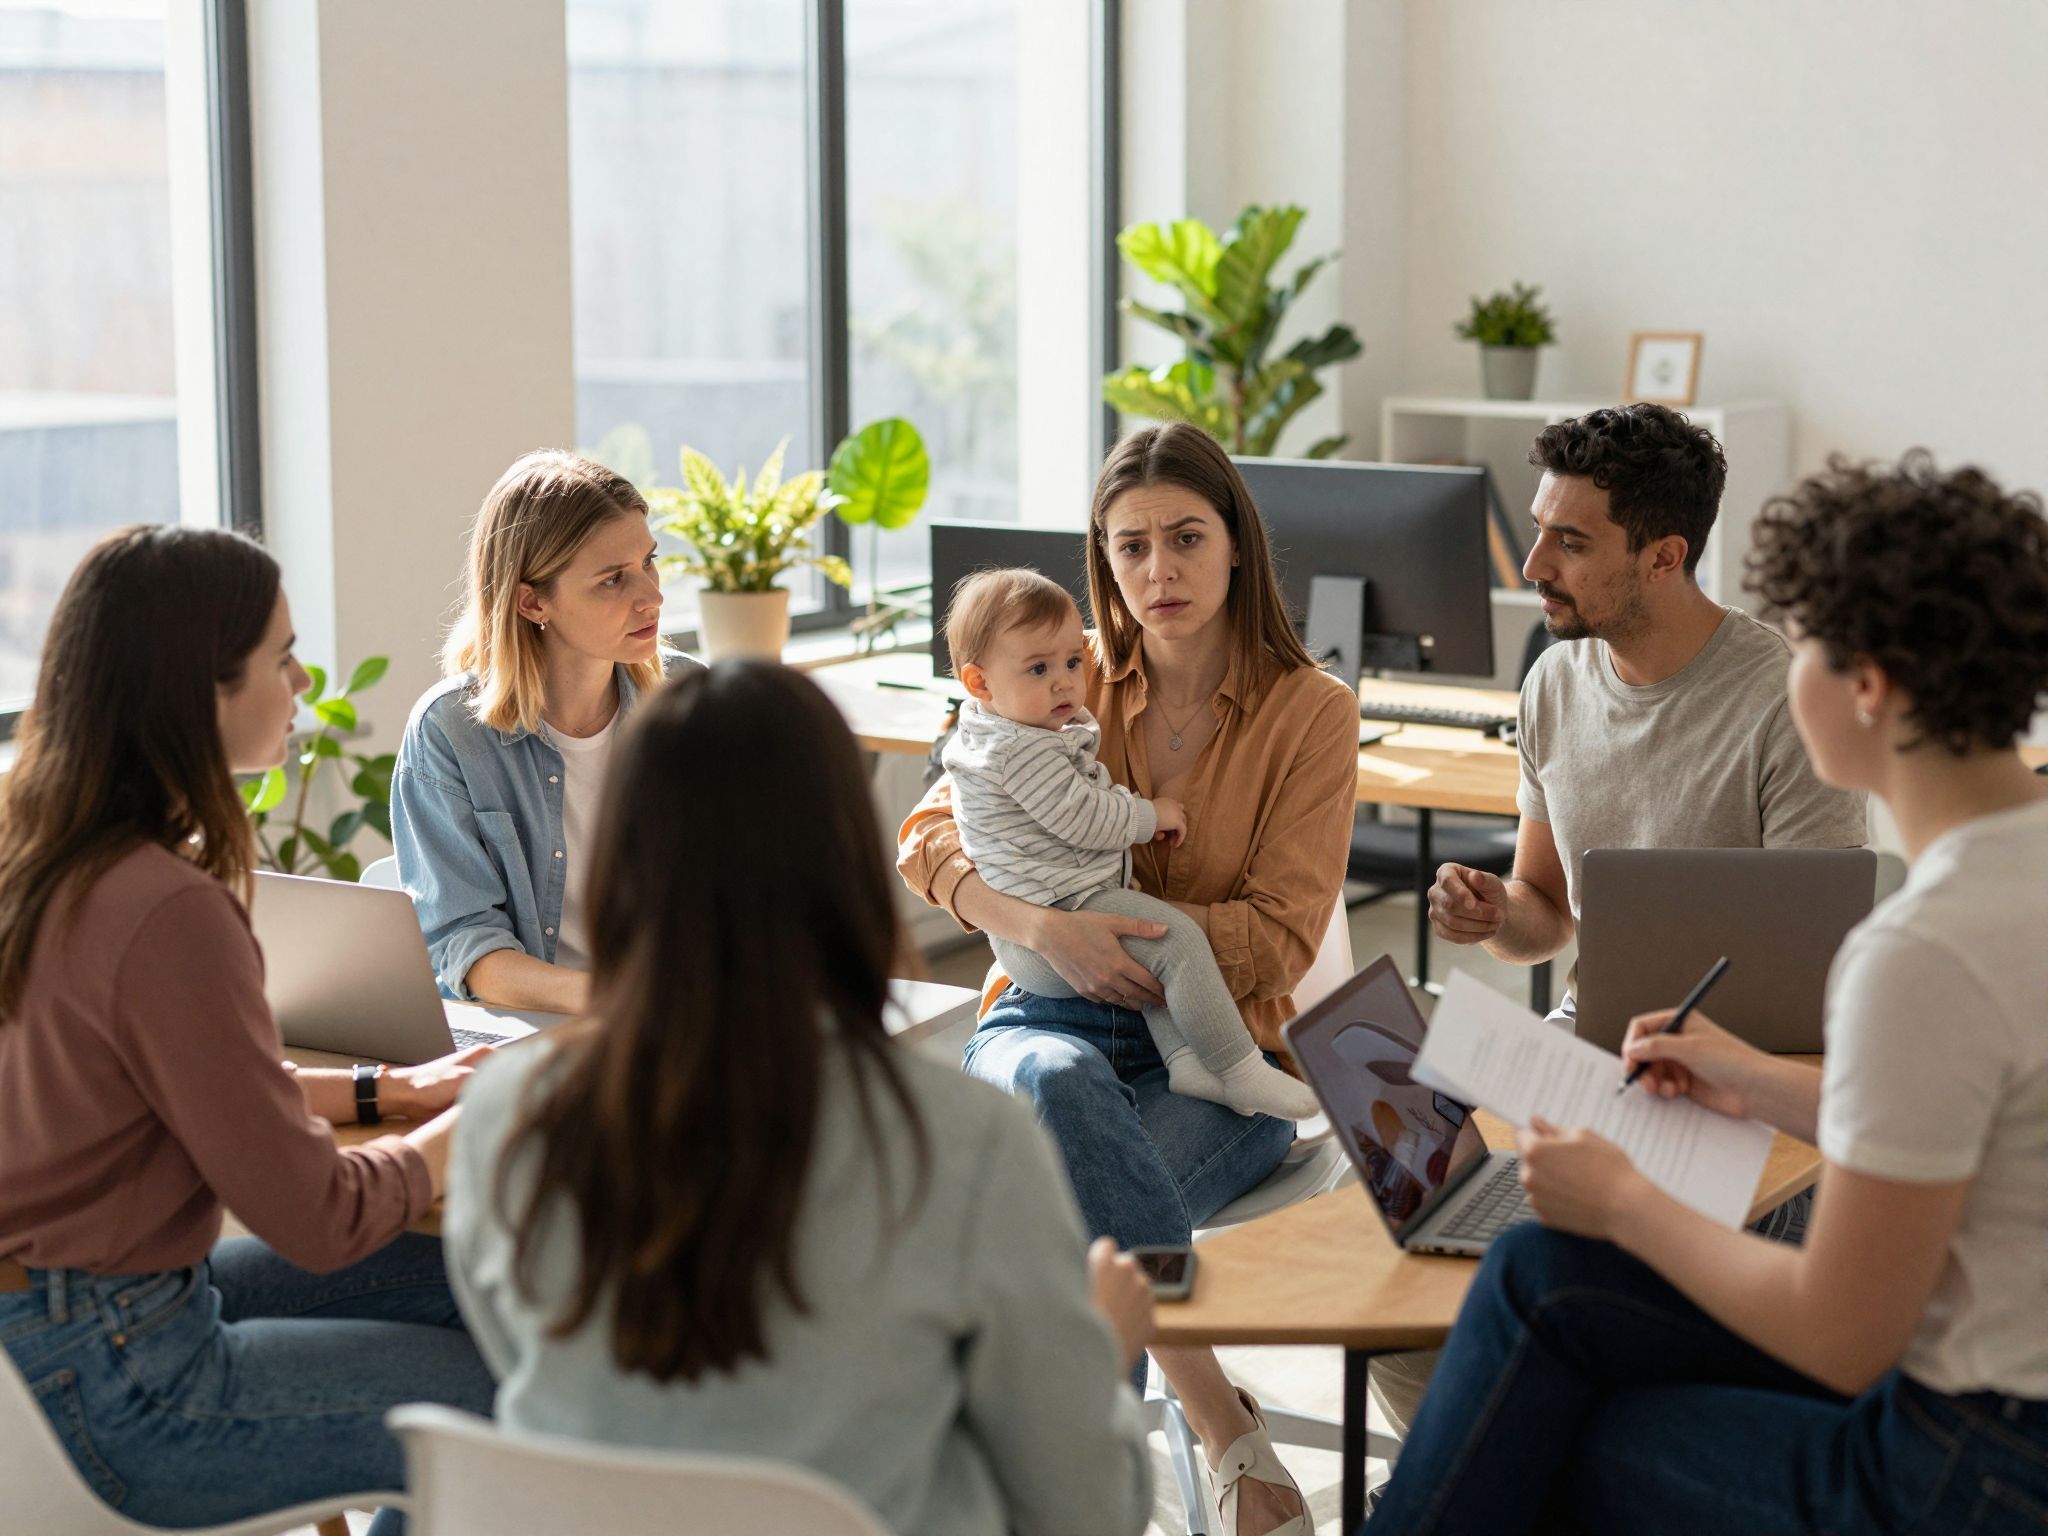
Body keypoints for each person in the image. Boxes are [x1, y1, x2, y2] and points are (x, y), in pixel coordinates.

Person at [1367, 451, 2048, 1534]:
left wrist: (1623, 1205)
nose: (1784, 669)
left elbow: (1839, 1333)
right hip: (2002, 1417)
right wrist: (1760, 1082)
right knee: (1538, 1285)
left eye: (1807, 644)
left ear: (1863, 683)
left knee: (1547, 1416)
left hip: (1969, 1464)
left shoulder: (1924, 952)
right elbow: (1969, 1126)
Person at [444, 661, 1154, 1536]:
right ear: (843, 857)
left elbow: (524, 1363)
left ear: (625, 861)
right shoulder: (964, 1142)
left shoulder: (506, 1113)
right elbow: (1083, 1515)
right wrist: (1097, 1357)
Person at [899, 423, 1359, 1536]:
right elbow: (922, 838)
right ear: (1100, 561)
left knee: (1045, 1224)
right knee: (1056, 1092)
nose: (1158, 573)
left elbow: (1282, 936)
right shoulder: (1058, 671)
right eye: (1130, 548)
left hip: (1215, 1061)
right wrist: (1045, 930)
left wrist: (1131, 947)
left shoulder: (1312, 715)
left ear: (1236, 547)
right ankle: (1221, 1426)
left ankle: (1059, 1498)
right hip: (1040, 1023)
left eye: (1185, 540)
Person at [1381, 403, 1869, 1437]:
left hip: (1743, 1086)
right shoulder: (1553, 681)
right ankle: (1463, 1462)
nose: (1531, 562)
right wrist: (1490, 912)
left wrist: (1718, 1066)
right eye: (1537, 527)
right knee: (1391, 1201)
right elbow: (1546, 916)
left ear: (1661, 555)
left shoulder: (1781, 699)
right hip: (1585, 1053)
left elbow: (1818, 974)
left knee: (1565, 1270)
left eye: (1568, 540)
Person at [0, 526, 494, 1535]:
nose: (305, 678)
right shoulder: (164, 907)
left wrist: (383, 1092)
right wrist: (468, 1127)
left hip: (42, 1341)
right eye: (280, 656)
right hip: (126, 1385)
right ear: (202, 692)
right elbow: (317, 1217)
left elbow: (174, 1087)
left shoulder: (39, 851)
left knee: (451, 1269)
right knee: (500, 1409)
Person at [940, 567, 1322, 1121]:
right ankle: (1238, 1070)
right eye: (1040, 669)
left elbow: (1279, 944)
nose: (1067, 681)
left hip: (1057, 930)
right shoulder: (1021, 745)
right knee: (1177, 939)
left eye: (1073, 663)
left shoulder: (997, 726)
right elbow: (1075, 818)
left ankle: (1186, 1059)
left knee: (1154, 964)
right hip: (1050, 943)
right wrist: (1149, 816)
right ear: (979, 684)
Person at [391, 450, 696, 1015]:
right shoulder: (452, 733)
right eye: (613, 580)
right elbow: (466, 945)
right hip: (540, 1026)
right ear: (532, 601)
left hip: (685, 1022)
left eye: (649, 562)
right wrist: (623, 1001)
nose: (652, 596)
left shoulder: (689, 703)